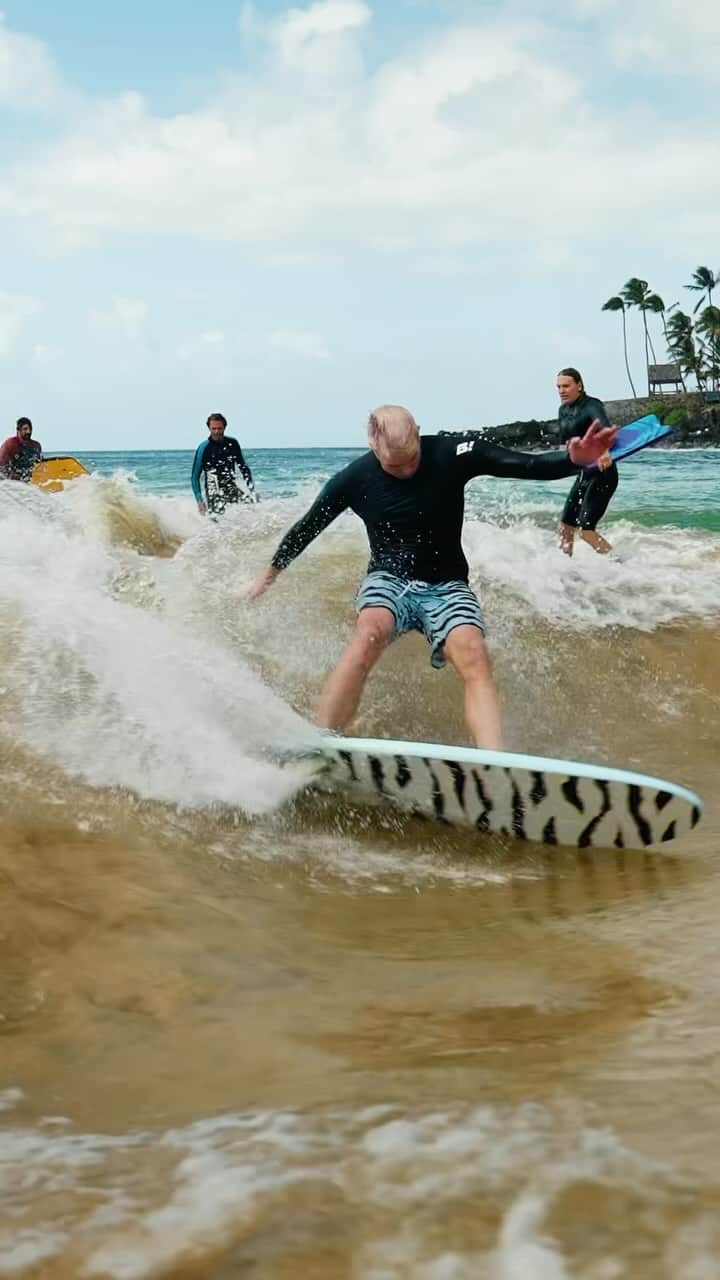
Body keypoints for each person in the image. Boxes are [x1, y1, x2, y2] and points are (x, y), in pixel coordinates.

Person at [246, 404, 616, 748]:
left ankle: (496, 765)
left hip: (448, 584)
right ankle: (323, 743)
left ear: (419, 432)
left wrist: (572, 460)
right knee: (369, 632)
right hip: (389, 579)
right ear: (372, 444)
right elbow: (305, 528)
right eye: (395, 467)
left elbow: (526, 466)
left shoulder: (453, 452)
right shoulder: (353, 479)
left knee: (473, 654)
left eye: (411, 461)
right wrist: (268, 576)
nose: (407, 471)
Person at [555, 368, 617, 555]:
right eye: (558, 387)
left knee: (586, 530)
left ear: (579, 385)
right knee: (565, 527)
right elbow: (567, 443)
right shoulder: (563, 410)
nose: (561, 391)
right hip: (584, 472)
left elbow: (606, 428)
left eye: (566, 386)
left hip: (603, 473)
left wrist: (605, 452)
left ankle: (622, 564)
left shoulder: (591, 405)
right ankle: (564, 568)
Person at [191, 413, 258, 516]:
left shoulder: (232, 443)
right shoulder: (203, 448)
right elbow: (194, 477)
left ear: (224, 428)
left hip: (231, 488)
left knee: (253, 509)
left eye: (219, 428)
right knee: (218, 524)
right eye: (213, 429)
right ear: (209, 428)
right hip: (214, 492)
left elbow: (244, 468)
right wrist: (199, 501)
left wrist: (252, 490)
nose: (216, 432)